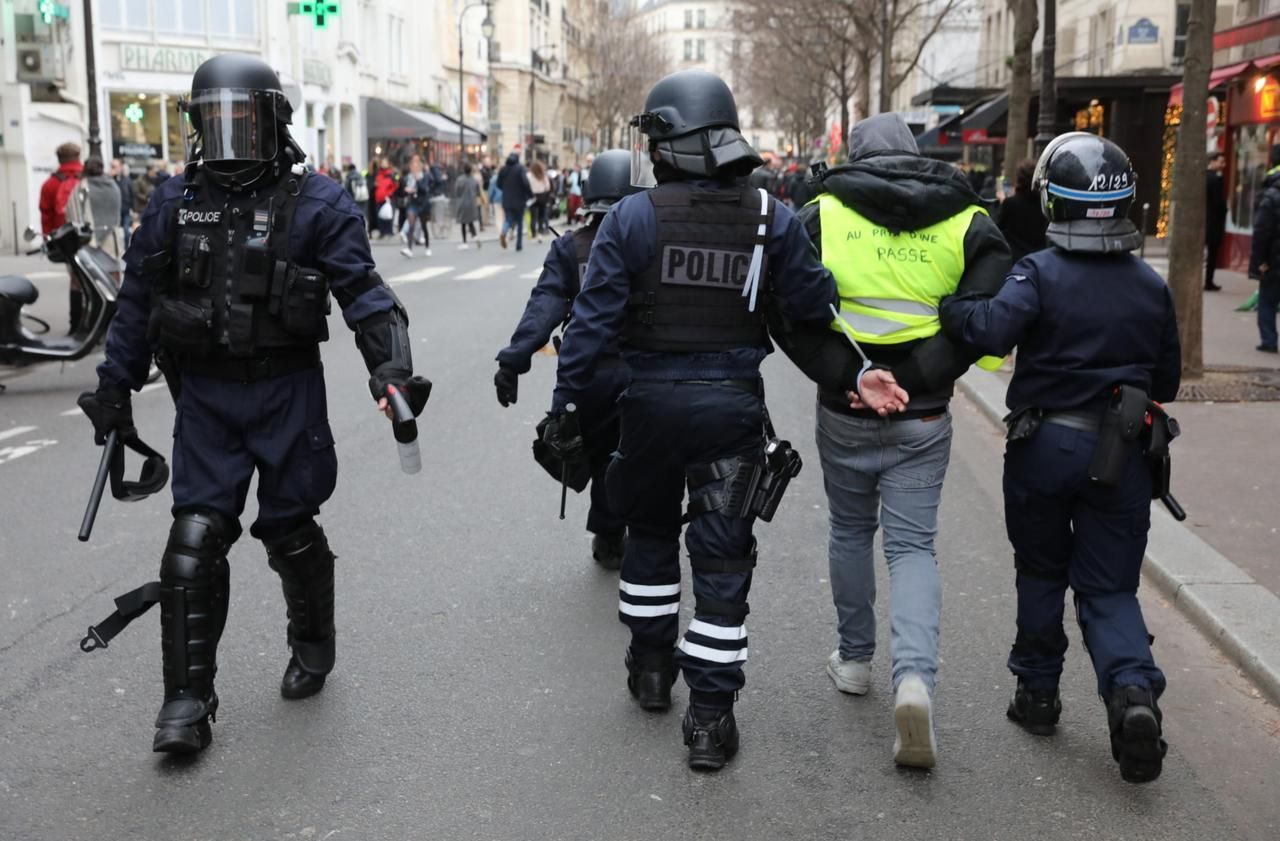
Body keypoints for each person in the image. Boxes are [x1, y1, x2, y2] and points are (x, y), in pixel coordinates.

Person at [76, 54, 429, 755]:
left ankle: (313, 639)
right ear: (199, 126)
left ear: (272, 122)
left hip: (287, 391)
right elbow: (138, 304)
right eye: (216, 119)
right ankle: (186, 700)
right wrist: (115, 389)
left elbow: (365, 295)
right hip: (206, 398)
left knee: (290, 530)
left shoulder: (319, 203)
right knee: (192, 545)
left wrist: (391, 370)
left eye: (243, 118)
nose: (230, 134)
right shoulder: (174, 204)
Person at [543, 70, 848, 771]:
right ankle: (709, 719)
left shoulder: (631, 218)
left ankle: (652, 670)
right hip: (731, 408)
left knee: (648, 533)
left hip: (646, 410)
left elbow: (589, 326)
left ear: (674, 140)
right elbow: (811, 304)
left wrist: (564, 405)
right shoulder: (770, 216)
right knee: (720, 557)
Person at [940, 133, 1181, 784]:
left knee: (1042, 570)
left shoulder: (1038, 272)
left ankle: (1038, 695)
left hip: (1044, 446)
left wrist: (953, 306)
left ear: (1053, 201)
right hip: (1122, 450)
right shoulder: (1149, 285)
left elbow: (989, 330)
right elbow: (1166, 381)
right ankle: (1132, 695)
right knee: (1109, 587)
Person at [775, 113, 1010, 770]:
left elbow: (785, 310)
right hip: (924, 412)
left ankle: (853, 660)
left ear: (853, 155)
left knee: (851, 532)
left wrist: (854, 373)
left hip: (846, 404)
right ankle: (913, 680)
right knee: (911, 546)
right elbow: (985, 316)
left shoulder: (819, 213)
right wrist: (918, 375)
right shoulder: (967, 220)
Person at [494, 151, 642, 569]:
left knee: (597, 457)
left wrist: (513, 361)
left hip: (588, 374)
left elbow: (543, 307)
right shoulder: (649, 237)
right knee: (640, 454)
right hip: (644, 371)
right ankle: (633, 529)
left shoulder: (570, 247)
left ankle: (608, 533)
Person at [1249, 146, 1280, 353]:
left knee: (1267, 301)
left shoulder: (1270, 197)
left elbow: (1262, 231)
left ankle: (1269, 341)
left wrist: (1260, 260)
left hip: (1274, 259)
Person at [70, 155, 124, 257]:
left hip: (88, 240)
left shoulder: (81, 186)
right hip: (112, 239)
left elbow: (73, 213)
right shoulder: (113, 185)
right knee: (111, 270)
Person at [997, 158, 1048, 262]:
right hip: (1040, 258)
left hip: (1015, 259)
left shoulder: (1010, 203)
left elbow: (998, 229)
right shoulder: (1044, 204)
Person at [39, 142, 83, 236]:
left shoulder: (49, 185)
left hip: (62, 241)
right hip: (88, 240)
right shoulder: (88, 179)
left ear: (59, 159)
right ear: (78, 157)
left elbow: (46, 218)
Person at [399, 155, 432, 258]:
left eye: (417, 162)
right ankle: (409, 249)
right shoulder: (408, 177)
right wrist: (406, 190)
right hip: (412, 203)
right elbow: (402, 190)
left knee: (423, 226)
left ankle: (427, 247)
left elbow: (425, 189)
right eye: (413, 163)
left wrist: (417, 180)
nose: (415, 165)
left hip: (422, 203)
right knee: (411, 224)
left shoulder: (425, 175)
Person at [498, 152, 532, 251]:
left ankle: (504, 231)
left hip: (506, 200)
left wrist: (506, 189)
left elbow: (498, 184)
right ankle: (519, 245)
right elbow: (525, 183)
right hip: (519, 200)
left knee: (508, 219)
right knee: (520, 222)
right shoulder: (521, 168)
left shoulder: (503, 169)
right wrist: (529, 194)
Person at [454, 162, 481, 248]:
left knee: (463, 223)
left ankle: (464, 242)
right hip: (472, 203)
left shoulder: (459, 180)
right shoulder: (474, 180)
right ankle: (475, 237)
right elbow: (478, 192)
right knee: (470, 222)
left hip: (462, 203)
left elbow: (457, 192)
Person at [110, 159, 135, 250]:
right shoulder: (109, 180)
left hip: (125, 209)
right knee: (113, 232)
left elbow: (132, 194)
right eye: (112, 167)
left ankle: (126, 249)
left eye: (115, 167)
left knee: (126, 231)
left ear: (120, 167)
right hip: (114, 211)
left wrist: (133, 209)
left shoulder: (127, 180)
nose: (113, 169)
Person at [528, 159, 552, 241]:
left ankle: (533, 232)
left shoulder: (529, 175)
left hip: (532, 196)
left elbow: (527, 186)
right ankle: (540, 231)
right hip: (542, 196)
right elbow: (548, 187)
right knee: (541, 215)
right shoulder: (543, 175)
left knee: (533, 216)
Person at [373, 158, 397, 240]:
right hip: (379, 198)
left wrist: (390, 193)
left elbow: (396, 185)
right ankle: (382, 232)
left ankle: (389, 232)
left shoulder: (391, 174)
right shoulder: (378, 174)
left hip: (387, 198)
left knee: (388, 215)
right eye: (382, 162)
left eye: (385, 163)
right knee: (380, 216)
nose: (383, 164)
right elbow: (375, 184)